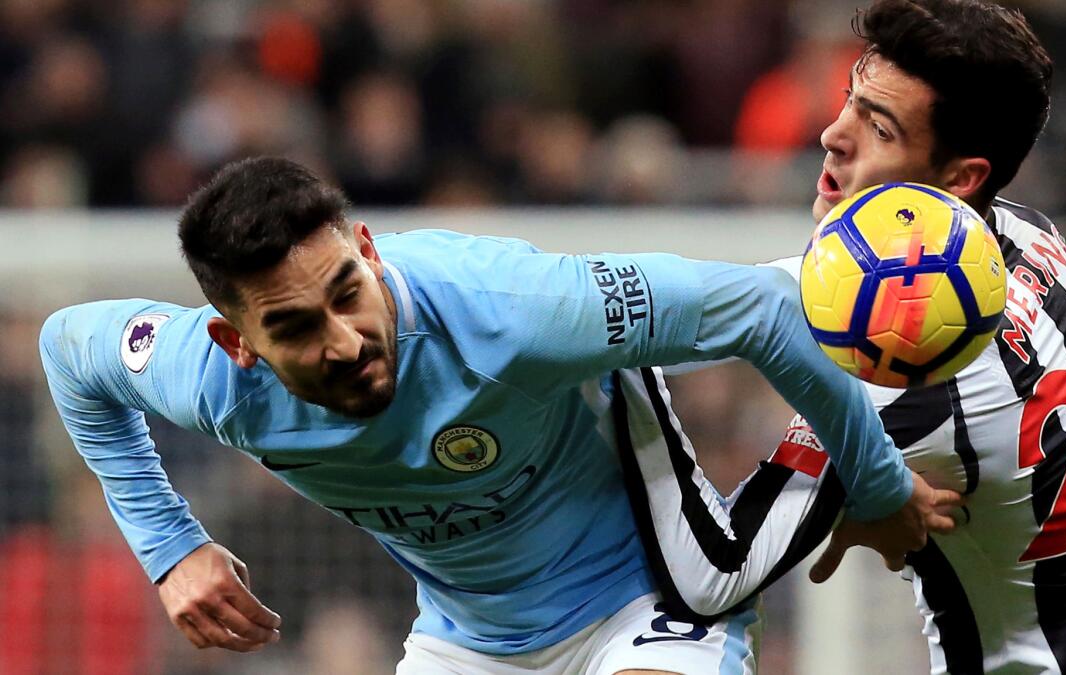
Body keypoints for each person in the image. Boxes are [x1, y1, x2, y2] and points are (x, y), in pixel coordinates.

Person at [38, 156, 960, 673]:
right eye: (295, 327)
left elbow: (762, 308)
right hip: (466, 641)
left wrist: (877, 486)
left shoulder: (513, 309)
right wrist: (169, 545)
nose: (347, 339)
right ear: (238, 342)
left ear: (367, 250)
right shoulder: (212, 380)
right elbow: (70, 349)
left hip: (646, 601)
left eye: (349, 293)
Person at [626, 1, 1066, 673]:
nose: (832, 136)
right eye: (849, 101)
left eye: (880, 128)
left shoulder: (907, 380)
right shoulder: (1021, 230)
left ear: (959, 178)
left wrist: (618, 374)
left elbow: (713, 569)